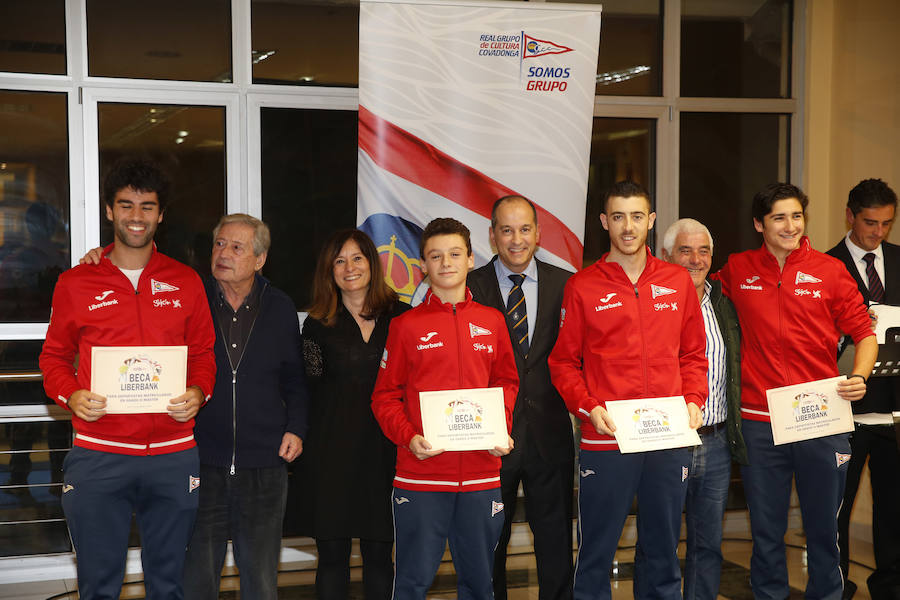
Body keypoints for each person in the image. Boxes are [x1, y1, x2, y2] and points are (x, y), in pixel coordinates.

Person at [39, 157, 216, 599]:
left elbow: (203, 355)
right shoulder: (76, 282)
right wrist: (71, 394)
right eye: (126, 205)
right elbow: (54, 358)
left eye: (147, 206)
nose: (136, 216)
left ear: (161, 214)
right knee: (98, 586)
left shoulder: (186, 281)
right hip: (100, 455)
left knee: (168, 584)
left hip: (173, 456)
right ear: (109, 211)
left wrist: (198, 391)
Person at [716, 182, 878, 600]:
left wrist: (859, 375)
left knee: (824, 530)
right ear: (759, 224)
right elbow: (696, 295)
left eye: (797, 216)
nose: (790, 226)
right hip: (759, 420)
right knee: (766, 531)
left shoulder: (829, 270)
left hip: (820, 419)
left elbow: (865, 332)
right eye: (778, 217)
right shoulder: (738, 269)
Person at [548, 181, 707, 600]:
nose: (628, 226)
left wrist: (694, 400)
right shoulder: (582, 286)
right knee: (596, 553)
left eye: (637, 216)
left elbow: (693, 355)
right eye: (618, 217)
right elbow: (563, 363)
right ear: (605, 222)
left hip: (668, 440)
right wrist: (587, 408)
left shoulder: (677, 282)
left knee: (662, 553)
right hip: (607, 438)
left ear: (651, 221)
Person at [371, 217, 519, 600]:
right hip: (421, 476)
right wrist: (410, 437)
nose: (446, 263)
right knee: (411, 585)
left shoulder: (493, 322)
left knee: (480, 585)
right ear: (423, 265)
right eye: (435, 256)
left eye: (455, 254)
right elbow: (384, 397)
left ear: (471, 259)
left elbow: (506, 383)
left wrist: (499, 429)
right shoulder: (405, 327)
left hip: (480, 476)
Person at [183, 214, 308, 599]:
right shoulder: (191, 299)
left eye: (236, 247)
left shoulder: (281, 306)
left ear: (259, 259)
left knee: (260, 577)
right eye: (219, 243)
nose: (223, 253)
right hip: (201, 459)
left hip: (264, 464)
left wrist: (297, 427)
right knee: (198, 577)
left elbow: (295, 379)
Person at [467, 195, 574, 600]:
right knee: (489, 542)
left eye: (525, 229)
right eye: (507, 230)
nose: (516, 239)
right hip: (491, 440)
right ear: (492, 236)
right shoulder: (469, 288)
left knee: (556, 542)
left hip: (550, 435)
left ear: (538, 234)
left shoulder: (565, 284)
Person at [296, 229, 408, 600]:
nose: (348, 267)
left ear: (372, 264)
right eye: (339, 260)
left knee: (380, 558)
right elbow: (310, 391)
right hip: (332, 458)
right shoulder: (315, 325)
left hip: (387, 455)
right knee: (331, 560)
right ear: (329, 271)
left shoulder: (403, 318)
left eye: (357, 257)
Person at [659, 218, 747, 600]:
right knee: (660, 544)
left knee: (708, 545)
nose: (695, 259)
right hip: (664, 441)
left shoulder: (725, 305)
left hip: (714, 442)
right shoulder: (653, 303)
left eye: (704, 250)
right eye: (685, 250)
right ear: (665, 255)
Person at [826, 178, 900, 600]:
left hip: (893, 408)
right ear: (850, 216)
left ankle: (889, 585)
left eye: (887, 224)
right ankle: (836, 583)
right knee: (836, 505)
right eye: (870, 223)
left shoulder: (899, 259)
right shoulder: (824, 265)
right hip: (843, 407)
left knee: (893, 505)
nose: (878, 233)